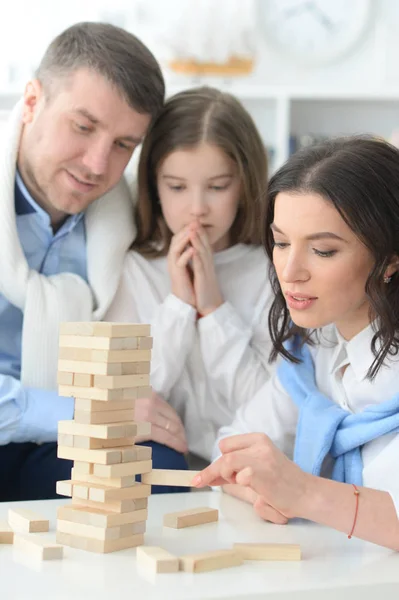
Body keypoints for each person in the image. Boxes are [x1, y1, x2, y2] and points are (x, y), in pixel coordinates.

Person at [193, 137, 399, 551]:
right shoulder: (316, 352)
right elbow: (231, 450)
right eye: (282, 243)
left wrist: (301, 492)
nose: (290, 271)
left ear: (391, 260)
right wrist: (261, 492)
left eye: (322, 250)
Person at [0, 22, 165, 501]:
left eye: (122, 145)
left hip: (58, 438)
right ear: (32, 102)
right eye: (83, 127)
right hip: (53, 416)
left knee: (163, 471)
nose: (97, 165)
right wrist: (86, 414)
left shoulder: (128, 222)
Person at [106, 86, 274, 467]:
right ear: (154, 186)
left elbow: (270, 406)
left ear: (245, 183)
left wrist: (214, 308)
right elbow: (127, 403)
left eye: (217, 187)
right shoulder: (134, 268)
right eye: (177, 187)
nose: (197, 208)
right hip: (160, 474)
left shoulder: (273, 269)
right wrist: (179, 305)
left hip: (248, 474)